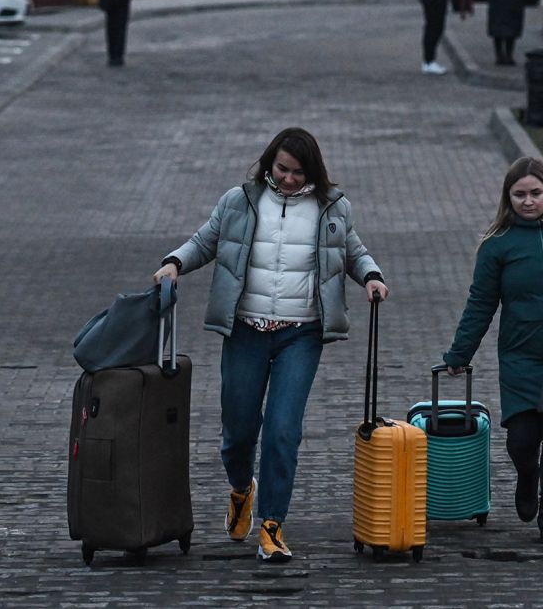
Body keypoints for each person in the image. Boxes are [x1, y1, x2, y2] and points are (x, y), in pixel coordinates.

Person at [153, 127, 389, 564]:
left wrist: (371, 276)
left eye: (299, 172)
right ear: (268, 164)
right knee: (239, 431)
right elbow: (206, 240)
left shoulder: (332, 207)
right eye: (282, 169)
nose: (289, 179)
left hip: (301, 332)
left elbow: (352, 251)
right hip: (245, 330)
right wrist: (174, 263)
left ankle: (272, 525)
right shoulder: (239, 201)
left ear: (312, 171)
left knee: (283, 430)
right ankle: (242, 489)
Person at [440, 157, 543, 545]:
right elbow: (481, 303)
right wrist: (459, 354)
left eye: (535, 193)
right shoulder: (498, 244)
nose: (528, 201)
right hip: (519, 356)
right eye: (520, 194)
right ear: (508, 197)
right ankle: (527, 475)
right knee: (521, 439)